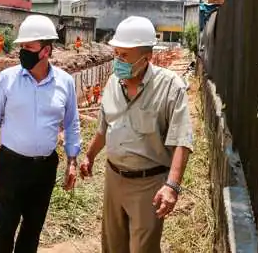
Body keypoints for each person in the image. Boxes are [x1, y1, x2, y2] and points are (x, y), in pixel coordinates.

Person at [80, 16, 193, 253]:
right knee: (112, 245)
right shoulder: (113, 83)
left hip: (148, 185)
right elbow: (104, 128)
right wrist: (89, 157)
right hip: (113, 179)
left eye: (125, 56)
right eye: (116, 54)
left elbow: (182, 141)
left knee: (143, 248)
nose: (118, 61)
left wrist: (172, 186)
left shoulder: (170, 87)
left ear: (147, 57)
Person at [0, 14, 81, 253]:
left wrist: (72, 162)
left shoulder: (64, 83)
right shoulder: (7, 79)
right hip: (12, 165)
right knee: (4, 226)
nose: (22, 52)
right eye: (21, 47)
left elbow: (72, 123)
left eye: (28, 47)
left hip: (45, 168)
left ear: (45, 51)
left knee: (33, 227)